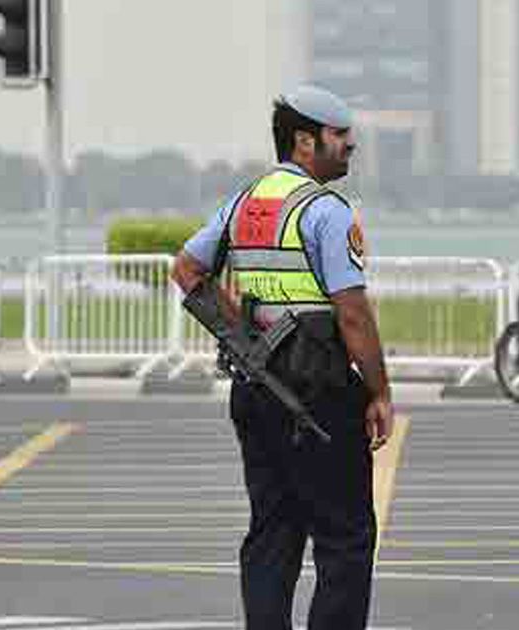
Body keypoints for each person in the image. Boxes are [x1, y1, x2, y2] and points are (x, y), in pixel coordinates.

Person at [170, 84, 394, 630]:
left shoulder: (245, 201)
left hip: (256, 391)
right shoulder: (326, 211)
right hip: (319, 397)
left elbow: (187, 270)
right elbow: (353, 315)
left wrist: (244, 340)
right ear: (304, 142)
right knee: (345, 540)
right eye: (339, 137)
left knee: (273, 535)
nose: (350, 147)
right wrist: (380, 391)